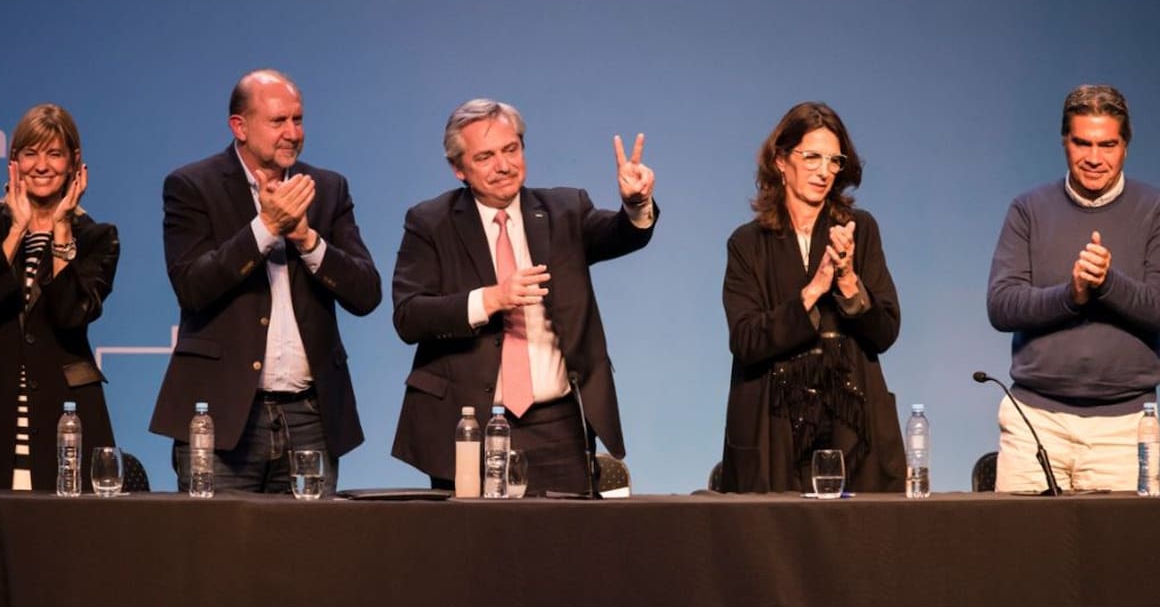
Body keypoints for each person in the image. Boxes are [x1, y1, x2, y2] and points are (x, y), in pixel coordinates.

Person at [391, 98, 656, 495]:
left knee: (563, 550)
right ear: (458, 168)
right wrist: (490, 299)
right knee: (472, 554)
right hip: (468, 425)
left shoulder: (565, 209)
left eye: (511, 150)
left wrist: (635, 204)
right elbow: (409, 316)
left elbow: (621, 234)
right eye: (485, 156)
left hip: (558, 425)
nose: (503, 165)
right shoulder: (431, 222)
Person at [149, 69, 381, 495]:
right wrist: (266, 227)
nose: (293, 133)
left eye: (298, 119)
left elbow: (367, 293)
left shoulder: (327, 188)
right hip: (221, 416)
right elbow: (192, 286)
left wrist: (308, 240)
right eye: (279, 122)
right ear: (239, 126)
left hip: (310, 416)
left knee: (307, 556)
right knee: (219, 554)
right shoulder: (192, 186)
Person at [719, 102, 904, 493]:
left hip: (852, 430)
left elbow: (886, 331)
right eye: (812, 157)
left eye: (834, 161)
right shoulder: (747, 244)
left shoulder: (859, 229)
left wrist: (850, 282)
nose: (824, 171)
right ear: (781, 161)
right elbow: (746, 339)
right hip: (775, 433)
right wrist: (814, 291)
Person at [987, 84, 1160, 492]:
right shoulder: (1028, 209)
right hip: (1035, 421)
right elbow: (1001, 305)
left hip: (1125, 428)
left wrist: (1105, 282)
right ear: (1065, 141)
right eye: (1082, 143)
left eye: (1108, 145)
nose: (1095, 158)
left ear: (1126, 145)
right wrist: (1073, 294)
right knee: (1022, 553)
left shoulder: (1153, 211)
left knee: (1122, 556)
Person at [0, 103, 119, 490]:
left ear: (74, 163)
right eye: (30, 153)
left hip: (66, 411)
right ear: (14, 163)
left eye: (54, 153)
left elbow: (72, 314)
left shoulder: (97, 237)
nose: (42, 165)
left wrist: (61, 231)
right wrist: (16, 233)